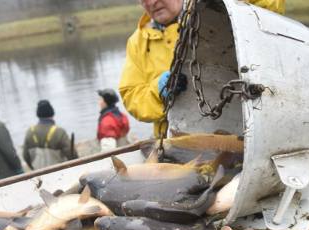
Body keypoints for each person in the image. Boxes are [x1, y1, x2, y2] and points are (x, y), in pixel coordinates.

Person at [119, 0, 285, 138]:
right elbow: (131, 95)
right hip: (174, 142)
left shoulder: (220, 11)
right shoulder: (136, 42)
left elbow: (268, 6)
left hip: (243, 133)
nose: (152, 2)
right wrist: (159, 90)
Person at [23, 100, 75, 170]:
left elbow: (25, 156)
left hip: (39, 172)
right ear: (52, 113)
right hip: (59, 171)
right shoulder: (59, 131)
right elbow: (71, 154)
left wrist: (33, 168)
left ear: (38, 114)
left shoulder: (30, 132)